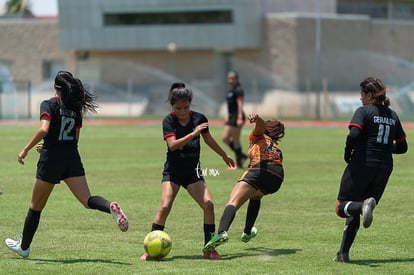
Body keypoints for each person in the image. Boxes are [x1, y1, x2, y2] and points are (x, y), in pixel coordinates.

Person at [5, 71, 128, 258]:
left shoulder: (48, 104)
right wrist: (51, 144)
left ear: (55, 87)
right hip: (72, 157)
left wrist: (26, 149)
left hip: (51, 159)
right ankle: (109, 206)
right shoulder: (75, 108)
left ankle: (24, 247)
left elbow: (44, 129)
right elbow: (74, 139)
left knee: (35, 206)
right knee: (87, 200)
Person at [140, 83, 235, 261]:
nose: (182, 111)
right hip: (173, 171)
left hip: (193, 172)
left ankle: (209, 249)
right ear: (172, 105)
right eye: (178, 108)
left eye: (186, 107)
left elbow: (208, 140)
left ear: (190, 104)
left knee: (209, 204)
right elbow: (173, 145)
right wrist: (193, 133)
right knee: (165, 206)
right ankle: (150, 251)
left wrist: (224, 155)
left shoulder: (200, 119)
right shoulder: (168, 121)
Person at [333, 77, 408, 263]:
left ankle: (363, 206)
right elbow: (403, 147)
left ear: (370, 95)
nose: (360, 98)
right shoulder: (392, 115)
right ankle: (343, 253)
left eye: (362, 94)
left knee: (342, 208)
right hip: (384, 167)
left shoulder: (363, 111)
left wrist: (347, 152)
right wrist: (383, 148)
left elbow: (354, 134)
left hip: (362, 163)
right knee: (356, 206)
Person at [203, 113, 285, 254]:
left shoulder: (258, 137)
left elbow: (259, 126)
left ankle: (222, 232)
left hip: (260, 169)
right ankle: (247, 232)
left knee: (233, 201)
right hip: (277, 178)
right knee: (256, 196)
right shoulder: (276, 147)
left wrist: (258, 119)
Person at [222, 71, 248, 168]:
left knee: (234, 140)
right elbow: (230, 106)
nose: (230, 80)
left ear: (237, 79)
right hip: (232, 116)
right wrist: (227, 116)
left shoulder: (238, 90)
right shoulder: (230, 91)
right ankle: (241, 157)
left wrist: (240, 117)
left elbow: (240, 104)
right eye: (229, 78)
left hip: (237, 116)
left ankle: (239, 162)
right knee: (225, 138)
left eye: (232, 78)